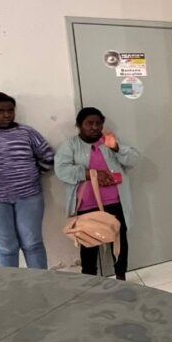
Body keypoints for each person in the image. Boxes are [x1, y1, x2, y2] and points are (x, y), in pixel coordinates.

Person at [0, 92, 54, 269]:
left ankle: (41, 282)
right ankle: (11, 284)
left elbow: (47, 156)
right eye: (0, 111)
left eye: (10, 110)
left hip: (29, 196)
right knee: (7, 248)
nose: (7, 115)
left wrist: (31, 175)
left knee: (33, 243)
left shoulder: (27, 132)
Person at [54, 107, 138, 280]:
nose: (94, 127)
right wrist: (90, 174)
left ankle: (121, 277)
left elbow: (133, 160)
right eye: (89, 123)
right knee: (88, 245)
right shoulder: (70, 145)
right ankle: (89, 281)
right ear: (79, 125)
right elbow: (61, 170)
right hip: (87, 205)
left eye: (98, 123)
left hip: (115, 201)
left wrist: (116, 148)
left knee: (119, 242)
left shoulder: (109, 142)